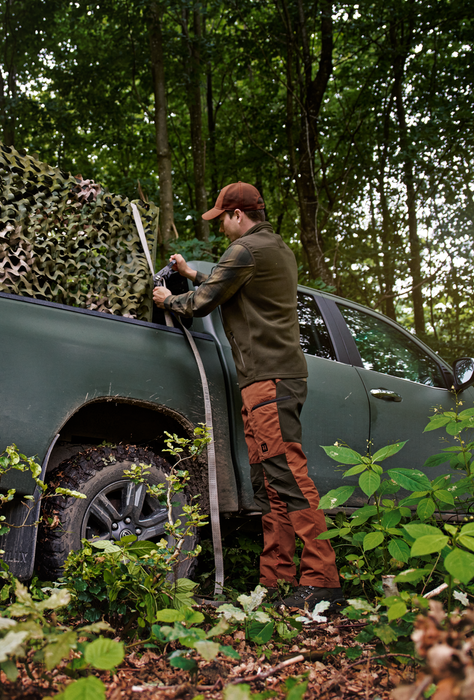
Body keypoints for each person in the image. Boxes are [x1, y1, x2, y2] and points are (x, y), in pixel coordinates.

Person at [151, 182, 343, 611]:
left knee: (288, 478)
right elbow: (231, 286)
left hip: (270, 381)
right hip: (271, 380)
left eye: (222, 218)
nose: (221, 226)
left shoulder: (244, 251)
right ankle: (277, 582)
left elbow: (205, 302)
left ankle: (323, 579)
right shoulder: (274, 248)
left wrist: (171, 297)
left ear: (238, 215)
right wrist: (192, 273)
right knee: (272, 484)